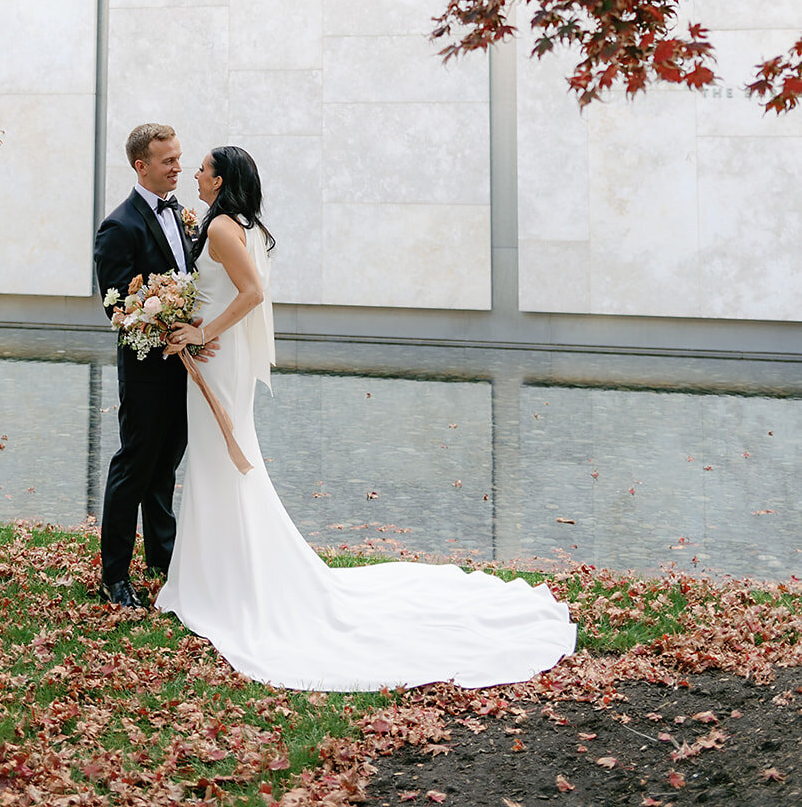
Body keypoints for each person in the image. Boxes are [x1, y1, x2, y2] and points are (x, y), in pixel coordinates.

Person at [157, 145, 577, 691]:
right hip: (222, 363)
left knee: (222, 462)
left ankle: (223, 583)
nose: (194, 173)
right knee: (225, 465)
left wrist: (203, 332)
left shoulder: (220, 231)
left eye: (203, 168)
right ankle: (216, 573)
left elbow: (252, 293)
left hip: (218, 361)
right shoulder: (236, 225)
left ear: (221, 180)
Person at [94, 123, 211, 608]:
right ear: (141, 166)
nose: (178, 167)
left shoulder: (183, 217)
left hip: (183, 366)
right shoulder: (119, 226)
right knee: (134, 466)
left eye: (180, 158)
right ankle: (113, 576)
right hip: (145, 372)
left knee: (166, 465)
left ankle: (163, 559)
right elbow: (116, 306)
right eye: (168, 161)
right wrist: (163, 324)